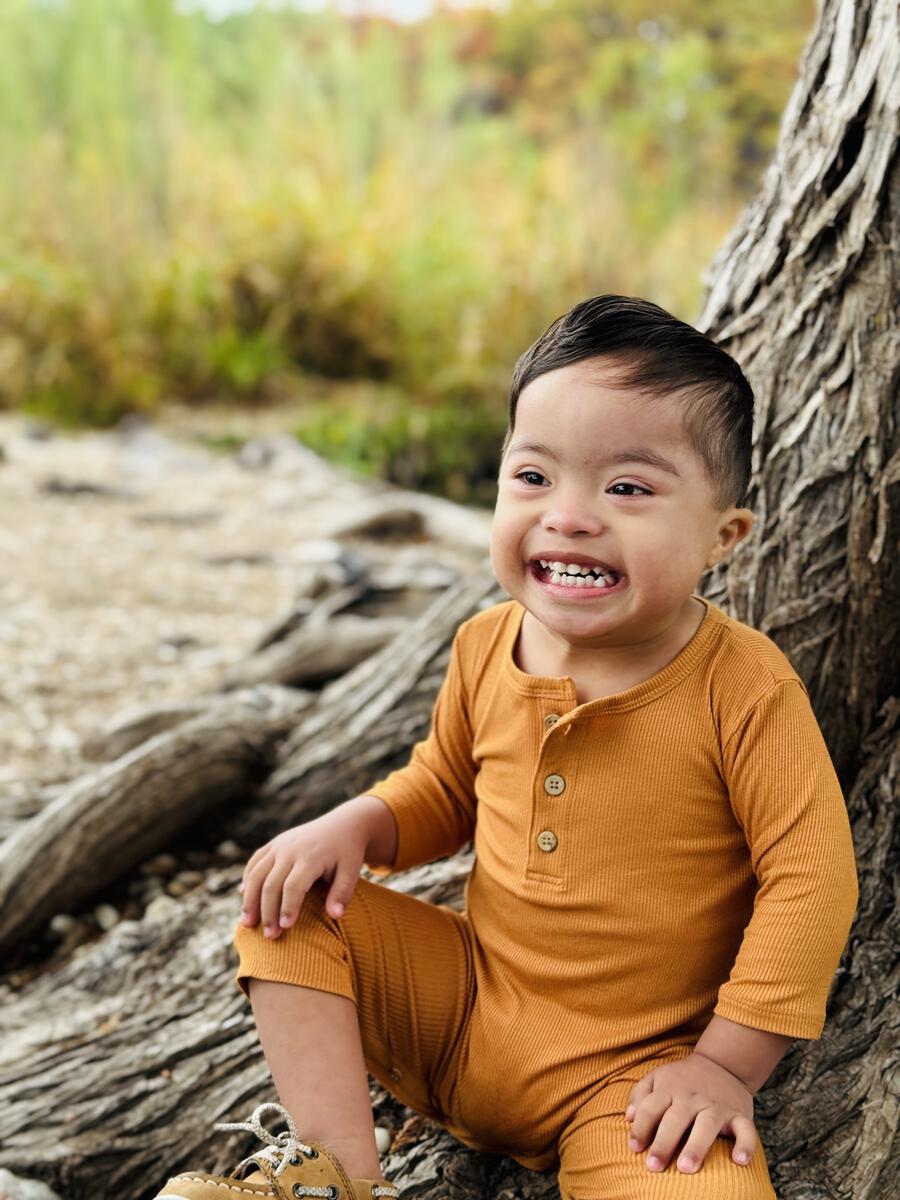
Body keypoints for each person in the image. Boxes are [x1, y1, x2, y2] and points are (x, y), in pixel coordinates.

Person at [153, 295, 858, 1200]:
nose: (568, 516)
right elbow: (445, 788)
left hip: (632, 1080)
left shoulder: (744, 686)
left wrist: (724, 1067)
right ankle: (332, 1176)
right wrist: (355, 828)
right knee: (284, 906)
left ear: (724, 537)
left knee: (704, 1186)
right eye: (533, 477)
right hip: (467, 1013)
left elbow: (812, 878)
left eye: (628, 488)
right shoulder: (487, 643)